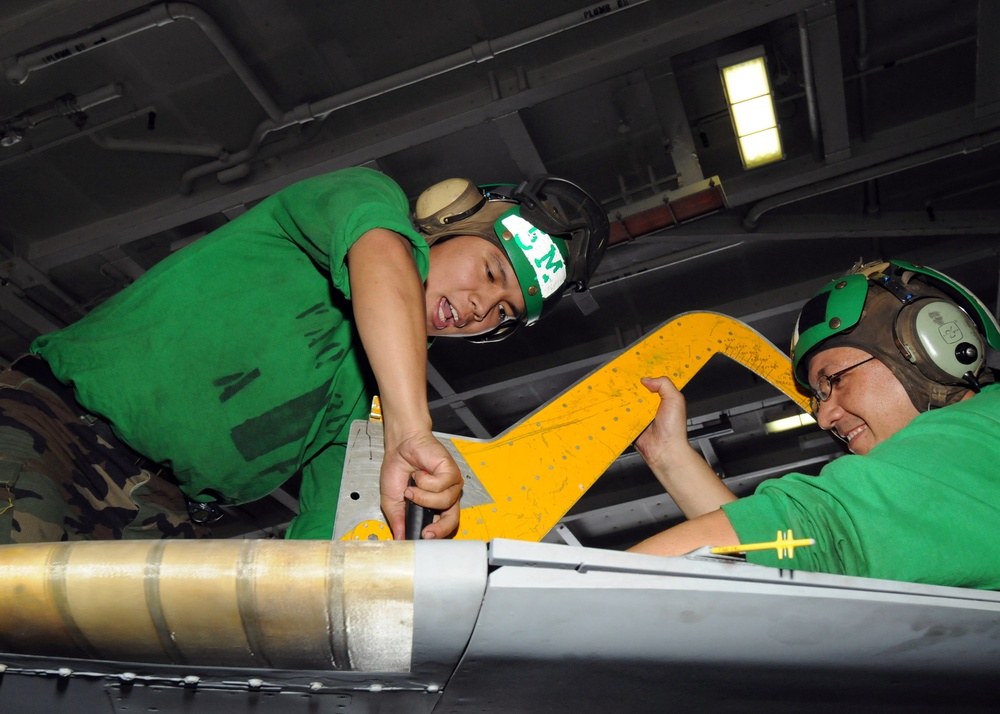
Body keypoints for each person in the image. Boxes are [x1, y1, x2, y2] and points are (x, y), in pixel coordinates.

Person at [0, 167, 608, 544]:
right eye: (491, 271)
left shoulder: (370, 400)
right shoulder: (366, 199)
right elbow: (380, 255)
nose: (481, 307)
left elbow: (328, 529)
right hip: (53, 427)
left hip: (160, 510)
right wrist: (409, 429)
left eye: (503, 312)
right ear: (447, 221)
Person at [628, 259, 1000, 590]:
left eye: (833, 380)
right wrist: (666, 453)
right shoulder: (970, 480)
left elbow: (822, 536)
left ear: (927, 348)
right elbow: (793, 566)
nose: (824, 418)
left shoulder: (979, 429)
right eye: (818, 399)